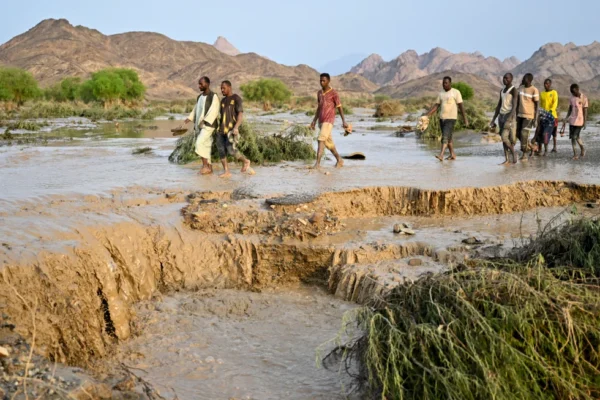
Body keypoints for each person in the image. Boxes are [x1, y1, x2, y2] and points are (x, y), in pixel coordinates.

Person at [216, 80, 254, 178]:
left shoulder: (236, 98)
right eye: (221, 88)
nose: (222, 90)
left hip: (231, 130)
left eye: (223, 88)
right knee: (221, 151)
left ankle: (246, 161)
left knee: (231, 150)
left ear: (229, 87)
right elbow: (221, 116)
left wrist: (236, 128)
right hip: (221, 131)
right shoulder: (223, 101)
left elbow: (240, 115)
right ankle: (226, 171)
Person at [425, 76, 468, 161]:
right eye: (443, 83)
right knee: (449, 138)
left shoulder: (456, 92)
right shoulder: (441, 93)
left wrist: (465, 119)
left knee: (444, 137)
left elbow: (461, 106)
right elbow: (436, 106)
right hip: (442, 118)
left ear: (450, 83)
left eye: (446, 83)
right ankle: (452, 154)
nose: (444, 85)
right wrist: (427, 115)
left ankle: (441, 155)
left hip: (451, 118)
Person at [310, 73, 348, 169]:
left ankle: (317, 164)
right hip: (321, 121)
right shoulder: (319, 93)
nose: (322, 82)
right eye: (320, 80)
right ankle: (339, 159)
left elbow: (339, 107)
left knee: (321, 139)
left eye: (324, 81)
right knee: (328, 143)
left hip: (329, 120)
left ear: (328, 81)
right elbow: (319, 108)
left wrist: (344, 121)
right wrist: (314, 120)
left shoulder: (334, 93)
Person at [183, 76, 220, 175]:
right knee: (206, 145)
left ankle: (204, 166)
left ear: (207, 84)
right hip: (200, 125)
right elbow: (196, 109)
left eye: (201, 84)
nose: (199, 86)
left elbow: (214, 111)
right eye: (199, 84)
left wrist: (205, 121)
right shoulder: (199, 97)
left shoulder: (213, 96)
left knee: (199, 143)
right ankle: (210, 168)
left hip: (209, 125)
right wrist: (190, 118)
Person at [490, 73, 518, 165]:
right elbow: (499, 105)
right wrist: (493, 119)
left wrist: (509, 119)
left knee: (504, 137)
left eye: (507, 78)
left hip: (508, 116)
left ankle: (513, 152)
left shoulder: (513, 90)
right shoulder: (502, 91)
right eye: (504, 78)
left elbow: (514, 107)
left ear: (511, 79)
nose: (504, 79)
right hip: (501, 116)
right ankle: (507, 159)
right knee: (503, 140)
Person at [515, 73, 539, 162]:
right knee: (517, 134)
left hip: (529, 116)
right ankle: (530, 146)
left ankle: (524, 154)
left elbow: (537, 105)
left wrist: (535, 119)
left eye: (524, 78)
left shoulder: (534, 90)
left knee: (524, 134)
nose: (523, 79)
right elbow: (516, 101)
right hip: (519, 115)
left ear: (529, 80)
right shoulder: (520, 88)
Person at [562, 83, 588, 160]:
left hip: (580, 121)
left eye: (574, 92)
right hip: (572, 121)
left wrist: (585, 122)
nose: (573, 94)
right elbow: (570, 109)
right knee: (575, 137)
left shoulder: (584, 98)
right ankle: (579, 151)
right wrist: (566, 118)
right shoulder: (572, 98)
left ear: (577, 89)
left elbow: (585, 110)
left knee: (574, 136)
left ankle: (577, 153)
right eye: (572, 92)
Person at [536, 78, 558, 156]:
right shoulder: (542, 94)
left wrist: (551, 111)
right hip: (544, 116)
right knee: (541, 132)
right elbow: (541, 105)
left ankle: (554, 147)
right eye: (544, 84)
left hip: (553, 116)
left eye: (547, 84)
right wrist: (540, 114)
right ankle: (540, 150)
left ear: (550, 84)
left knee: (553, 133)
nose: (545, 85)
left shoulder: (554, 92)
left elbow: (555, 103)